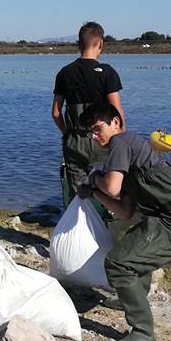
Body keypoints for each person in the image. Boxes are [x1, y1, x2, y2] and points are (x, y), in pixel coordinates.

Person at [76, 103, 171, 341]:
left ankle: (143, 333)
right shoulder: (124, 156)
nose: (94, 136)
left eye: (97, 129)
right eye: (90, 133)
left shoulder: (121, 141)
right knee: (133, 244)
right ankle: (133, 296)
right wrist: (93, 192)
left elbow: (112, 187)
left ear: (115, 122)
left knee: (118, 262)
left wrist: (95, 178)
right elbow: (125, 211)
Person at [51, 22, 124, 205]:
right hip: (101, 139)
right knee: (109, 189)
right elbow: (116, 110)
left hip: (74, 141)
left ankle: (78, 219)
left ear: (78, 44)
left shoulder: (64, 73)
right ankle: (108, 219)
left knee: (78, 195)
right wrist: (122, 138)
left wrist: (67, 134)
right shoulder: (107, 72)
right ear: (100, 44)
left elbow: (56, 113)